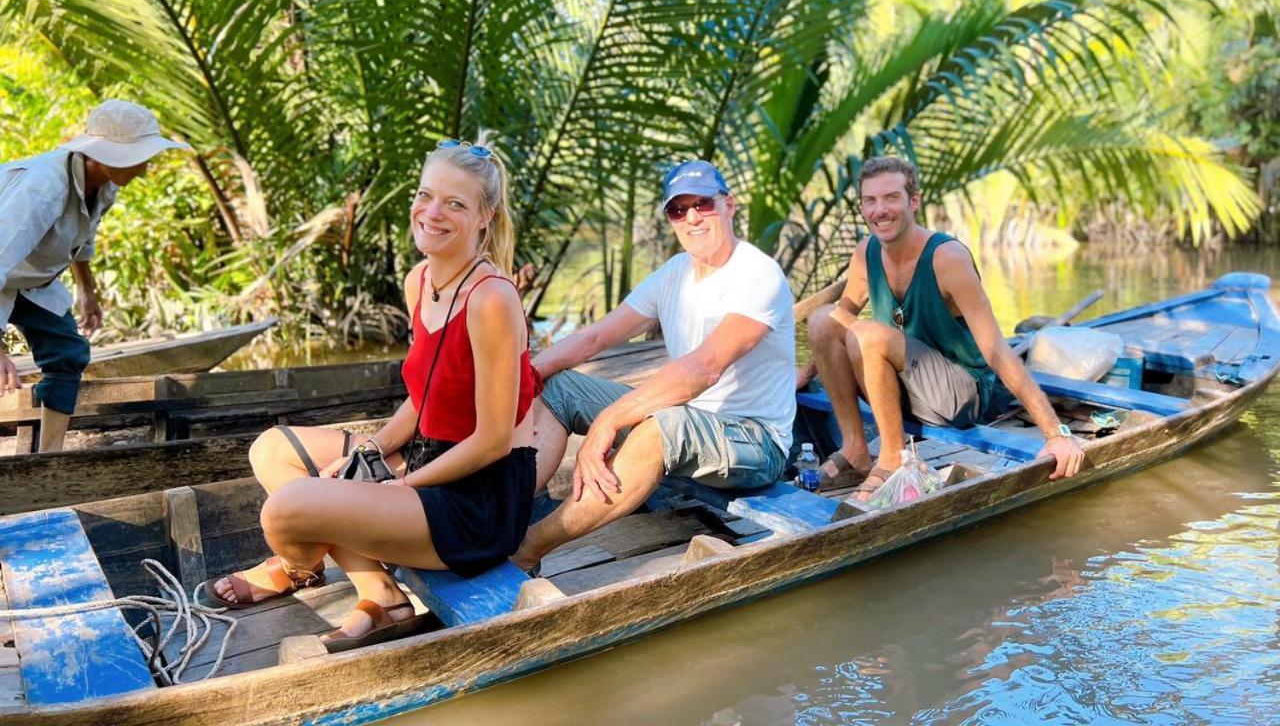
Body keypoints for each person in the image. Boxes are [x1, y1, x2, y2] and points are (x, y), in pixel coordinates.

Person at [209, 138, 537, 652]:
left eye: (455, 203)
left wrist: (400, 489)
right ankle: (380, 593)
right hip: (426, 454)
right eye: (426, 195)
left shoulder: (491, 299)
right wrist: (374, 449)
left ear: (484, 217)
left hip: (478, 499)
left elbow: (494, 441)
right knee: (271, 450)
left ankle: (295, 568)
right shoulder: (420, 281)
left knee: (284, 513)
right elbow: (427, 397)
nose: (432, 213)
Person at [512, 160, 796, 573]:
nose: (693, 218)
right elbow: (594, 337)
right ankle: (506, 517)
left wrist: (609, 421)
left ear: (729, 205)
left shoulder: (757, 274)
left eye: (703, 204)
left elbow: (705, 367)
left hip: (754, 439)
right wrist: (525, 378)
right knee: (559, 388)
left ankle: (526, 549)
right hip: (689, 419)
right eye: (679, 210)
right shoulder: (674, 275)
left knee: (659, 427)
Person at [806, 156, 1085, 502]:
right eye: (870, 201)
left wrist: (1054, 432)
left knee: (866, 334)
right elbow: (838, 317)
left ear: (914, 201)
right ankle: (856, 450)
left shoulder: (947, 258)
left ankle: (892, 459)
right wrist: (805, 375)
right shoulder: (866, 252)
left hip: (960, 395)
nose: (880, 210)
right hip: (900, 388)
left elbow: (997, 351)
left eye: (891, 198)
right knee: (822, 318)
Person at [0, 100, 189, 452]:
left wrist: (87, 290)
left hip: (28, 278)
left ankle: (49, 459)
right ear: (104, 156)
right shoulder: (42, 190)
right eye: (140, 158)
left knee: (67, 354)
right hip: (5, 269)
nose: (145, 169)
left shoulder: (104, 184)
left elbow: (82, 237)